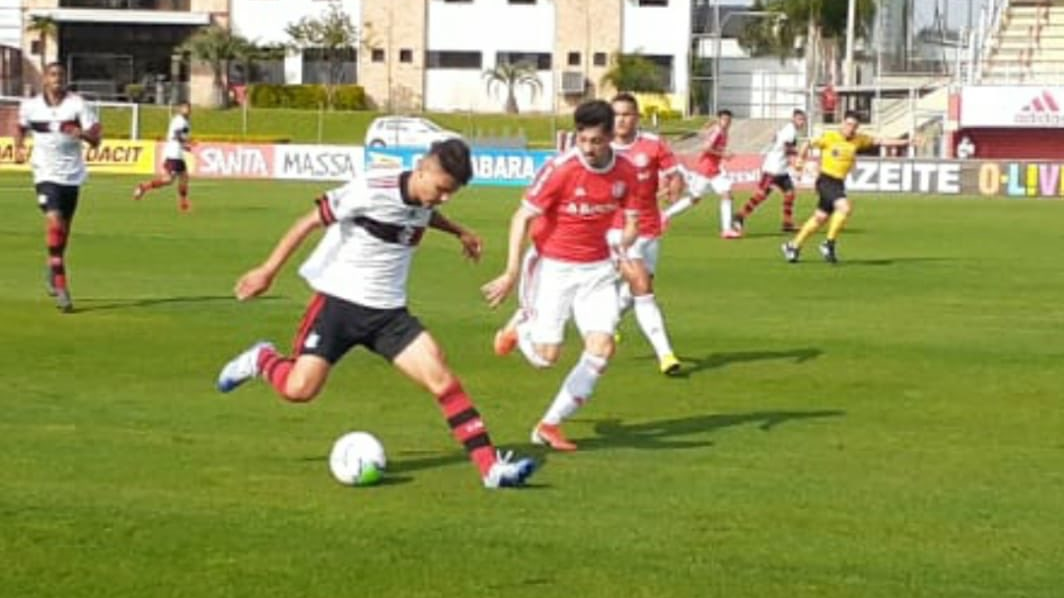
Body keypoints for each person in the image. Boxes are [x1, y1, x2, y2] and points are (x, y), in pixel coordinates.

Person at [214, 139, 536, 489]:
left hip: (388, 315)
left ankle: (490, 469)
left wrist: (459, 231)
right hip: (338, 306)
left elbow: (423, 213)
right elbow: (310, 221)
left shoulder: (424, 197)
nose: (444, 198)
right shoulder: (371, 188)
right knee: (299, 390)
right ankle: (262, 359)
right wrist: (267, 270)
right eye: (442, 189)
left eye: (451, 194)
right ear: (423, 169)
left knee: (442, 378)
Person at [482, 100, 640, 452]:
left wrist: (623, 246)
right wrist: (510, 272)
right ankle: (520, 326)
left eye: (596, 141)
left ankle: (549, 424)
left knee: (602, 348)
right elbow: (521, 217)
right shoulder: (561, 169)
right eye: (582, 140)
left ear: (611, 137)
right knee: (546, 358)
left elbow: (631, 222)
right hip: (553, 267)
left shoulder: (626, 173)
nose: (587, 148)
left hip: (598, 270)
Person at [14, 62, 102, 313]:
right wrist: (19, 146)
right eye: (53, 75)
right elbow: (21, 127)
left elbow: (96, 139)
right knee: (53, 224)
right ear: (45, 79)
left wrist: (80, 134)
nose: (57, 79)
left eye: (61, 75)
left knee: (62, 232)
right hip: (45, 173)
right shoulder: (31, 106)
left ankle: (53, 264)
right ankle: (63, 290)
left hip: (72, 176)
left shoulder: (77, 105)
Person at [607, 93, 683, 375]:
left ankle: (608, 322)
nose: (621, 120)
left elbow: (675, 174)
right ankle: (666, 355)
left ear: (636, 117)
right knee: (643, 288)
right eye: (616, 115)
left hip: (650, 228)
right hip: (618, 230)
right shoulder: (602, 149)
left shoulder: (652, 145)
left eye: (627, 114)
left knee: (635, 288)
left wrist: (674, 188)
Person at [781, 111, 917, 263]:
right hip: (826, 179)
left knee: (820, 218)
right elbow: (807, 143)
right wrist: (800, 159)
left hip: (838, 183)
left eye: (854, 126)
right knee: (845, 207)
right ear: (842, 123)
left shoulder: (858, 140)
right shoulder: (830, 137)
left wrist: (906, 142)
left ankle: (793, 246)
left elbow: (881, 141)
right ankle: (829, 244)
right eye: (848, 124)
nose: (851, 128)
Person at [661, 109, 739, 239]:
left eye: (729, 120)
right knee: (694, 198)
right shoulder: (718, 132)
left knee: (726, 194)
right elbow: (705, 148)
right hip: (704, 170)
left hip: (714, 171)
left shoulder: (722, 132)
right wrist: (724, 154)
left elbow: (709, 142)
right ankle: (665, 215)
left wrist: (722, 153)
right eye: (724, 120)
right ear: (720, 120)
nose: (727, 123)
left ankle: (727, 230)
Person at [733, 109, 807, 234]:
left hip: (781, 169)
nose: (802, 122)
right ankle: (739, 216)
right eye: (799, 119)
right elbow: (787, 149)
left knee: (790, 193)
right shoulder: (789, 131)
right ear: (793, 119)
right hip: (773, 168)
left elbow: (778, 141)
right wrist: (797, 161)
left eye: (803, 120)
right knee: (761, 195)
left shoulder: (789, 130)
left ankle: (787, 222)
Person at [133, 102, 192, 211]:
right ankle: (144, 187)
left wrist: (185, 146)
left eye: (189, 108)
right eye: (185, 108)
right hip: (173, 153)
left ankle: (183, 203)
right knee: (170, 179)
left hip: (177, 153)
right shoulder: (180, 121)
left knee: (182, 177)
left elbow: (177, 137)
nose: (187, 110)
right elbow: (177, 135)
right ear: (180, 109)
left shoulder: (184, 121)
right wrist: (185, 143)